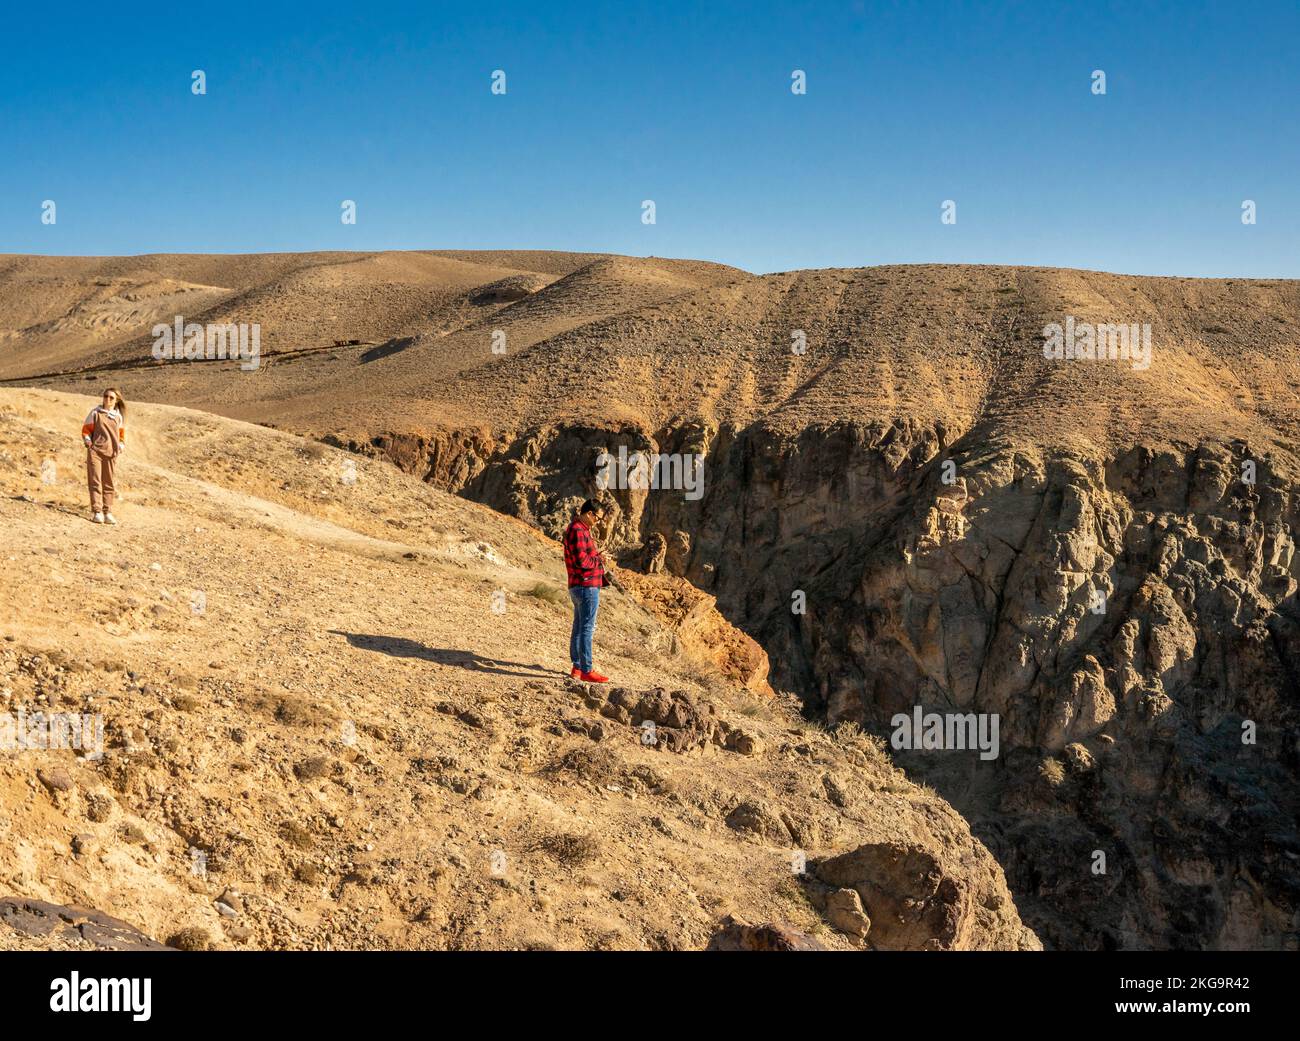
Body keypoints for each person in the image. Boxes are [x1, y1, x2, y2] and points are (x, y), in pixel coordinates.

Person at [563, 499, 610, 683]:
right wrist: (599, 561)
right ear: (589, 513)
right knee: (586, 628)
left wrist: (597, 556)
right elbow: (582, 562)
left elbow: (581, 557)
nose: (597, 522)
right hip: (586, 586)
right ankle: (586, 669)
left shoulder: (577, 529)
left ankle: (577, 667)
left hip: (578, 585)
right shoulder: (578, 530)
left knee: (579, 627)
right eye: (597, 518)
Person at [81, 388, 126, 524]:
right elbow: (86, 430)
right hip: (96, 452)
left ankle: (108, 512)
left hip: (111, 454)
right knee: (95, 481)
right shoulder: (95, 413)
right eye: (105, 396)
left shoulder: (118, 417)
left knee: (108, 483)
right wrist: (88, 443)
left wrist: (121, 446)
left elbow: (122, 435)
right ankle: (97, 511)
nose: (107, 399)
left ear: (116, 400)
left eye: (111, 397)